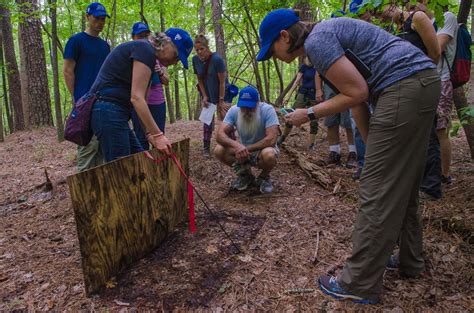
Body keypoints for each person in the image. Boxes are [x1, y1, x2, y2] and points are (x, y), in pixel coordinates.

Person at [257, 9, 440, 304]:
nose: (274, 56)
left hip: (404, 87)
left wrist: (310, 113)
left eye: (272, 50)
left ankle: (358, 282)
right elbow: (359, 101)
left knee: (377, 189)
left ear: (284, 36)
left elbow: (356, 92)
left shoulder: (318, 41)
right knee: (400, 182)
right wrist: (374, 151)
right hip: (420, 83)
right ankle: (411, 260)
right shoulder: (326, 37)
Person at [89, 28, 193, 162]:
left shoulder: (150, 57)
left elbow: (142, 99)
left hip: (117, 112)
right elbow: (136, 98)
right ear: (166, 43)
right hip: (107, 110)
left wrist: (149, 133)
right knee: (123, 168)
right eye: (177, 55)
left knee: (141, 159)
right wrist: (158, 135)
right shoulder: (145, 49)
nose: (176, 61)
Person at [378, 3, 442, 199]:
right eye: (379, 14)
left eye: (384, 10)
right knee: (407, 133)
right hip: (402, 86)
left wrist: (420, 73)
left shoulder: (417, 18)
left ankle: (431, 187)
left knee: (428, 133)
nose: (383, 15)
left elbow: (435, 52)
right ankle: (412, 183)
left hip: (422, 81)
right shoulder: (395, 29)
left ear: (393, 4)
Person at [63, 2, 110, 171]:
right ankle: (84, 191)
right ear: (87, 17)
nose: (100, 22)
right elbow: (68, 71)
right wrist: (77, 98)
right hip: (85, 102)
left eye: (103, 19)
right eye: (97, 18)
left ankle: (100, 191)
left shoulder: (105, 46)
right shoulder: (76, 41)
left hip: (103, 102)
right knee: (88, 146)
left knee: (103, 147)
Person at [214, 86, 280, 194]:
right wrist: (237, 146)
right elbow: (219, 135)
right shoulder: (234, 111)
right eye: (243, 107)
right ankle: (245, 176)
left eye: (250, 107)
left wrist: (246, 148)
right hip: (242, 150)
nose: (247, 110)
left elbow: (271, 139)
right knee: (219, 150)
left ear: (258, 103)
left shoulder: (268, 110)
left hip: (261, 150)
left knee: (269, 154)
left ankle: (264, 177)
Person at [129, 22, 170, 150]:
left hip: (158, 103)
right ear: (133, 37)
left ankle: (158, 166)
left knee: (159, 136)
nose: (143, 38)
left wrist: (160, 71)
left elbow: (166, 81)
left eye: (145, 35)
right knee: (141, 137)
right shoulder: (132, 55)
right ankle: (145, 167)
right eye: (140, 36)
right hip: (140, 103)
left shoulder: (157, 55)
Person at [192, 35, 231, 157]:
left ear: (207, 47)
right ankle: (206, 148)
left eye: (201, 49)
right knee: (207, 120)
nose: (199, 52)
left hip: (222, 92)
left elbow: (222, 82)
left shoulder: (217, 60)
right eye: (197, 49)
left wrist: (221, 100)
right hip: (208, 92)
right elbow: (200, 79)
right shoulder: (195, 60)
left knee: (226, 119)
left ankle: (231, 145)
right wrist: (204, 96)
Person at [278, 57, 323, 150]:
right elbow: (296, 81)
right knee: (291, 115)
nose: (308, 60)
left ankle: (311, 144)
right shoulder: (303, 67)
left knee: (314, 121)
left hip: (314, 95)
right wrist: (288, 96)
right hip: (303, 93)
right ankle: (282, 137)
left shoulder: (318, 65)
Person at [436, 9, 458, 185]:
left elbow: (437, 48)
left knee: (441, 129)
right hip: (423, 81)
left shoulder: (447, 18)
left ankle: (444, 174)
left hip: (441, 81)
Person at [323, 84, 357, 168]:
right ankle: (334, 153)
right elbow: (318, 73)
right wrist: (318, 89)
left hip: (347, 83)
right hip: (329, 84)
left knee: (349, 121)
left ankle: (353, 153)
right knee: (331, 120)